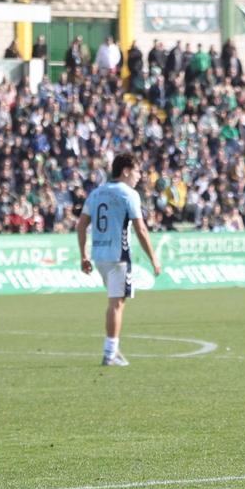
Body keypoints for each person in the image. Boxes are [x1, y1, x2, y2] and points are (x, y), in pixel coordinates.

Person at [77, 154, 162, 367]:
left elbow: (81, 225)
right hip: (119, 256)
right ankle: (110, 353)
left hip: (100, 256)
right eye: (136, 171)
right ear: (125, 171)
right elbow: (141, 229)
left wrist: (83, 255)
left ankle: (113, 350)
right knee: (117, 304)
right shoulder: (129, 194)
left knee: (115, 302)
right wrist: (153, 258)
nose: (139, 176)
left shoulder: (97, 192)